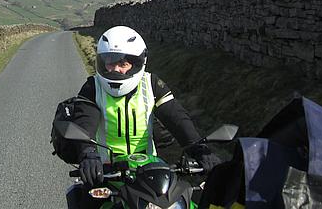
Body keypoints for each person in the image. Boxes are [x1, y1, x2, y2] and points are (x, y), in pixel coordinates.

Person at [70, 25, 221, 206]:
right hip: (106, 172)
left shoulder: (151, 84)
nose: (116, 69)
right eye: (110, 62)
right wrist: (88, 155)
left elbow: (177, 119)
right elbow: (84, 122)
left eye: (123, 64)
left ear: (137, 63)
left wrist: (199, 148)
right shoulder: (92, 87)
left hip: (150, 170)